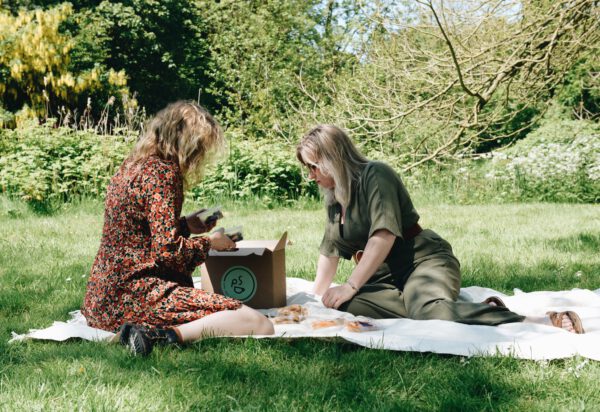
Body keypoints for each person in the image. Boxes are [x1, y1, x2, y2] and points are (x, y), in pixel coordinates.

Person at [295, 124, 585, 334]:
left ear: (332, 160)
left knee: (425, 310)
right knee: (343, 306)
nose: (311, 175)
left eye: (313, 167)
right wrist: (315, 300)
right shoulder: (335, 196)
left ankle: (539, 321)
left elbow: (384, 234)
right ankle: (458, 307)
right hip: (386, 277)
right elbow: (331, 251)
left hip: (423, 260)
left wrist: (351, 285)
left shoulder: (375, 174)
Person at [82, 101, 274, 356]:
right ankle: (160, 336)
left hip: (101, 300)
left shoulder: (134, 165)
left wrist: (185, 225)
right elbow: (167, 251)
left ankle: (148, 331)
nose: (201, 155)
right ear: (189, 144)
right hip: (135, 294)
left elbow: (138, 235)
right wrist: (210, 243)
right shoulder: (163, 174)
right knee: (257, 322)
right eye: (201, 147)